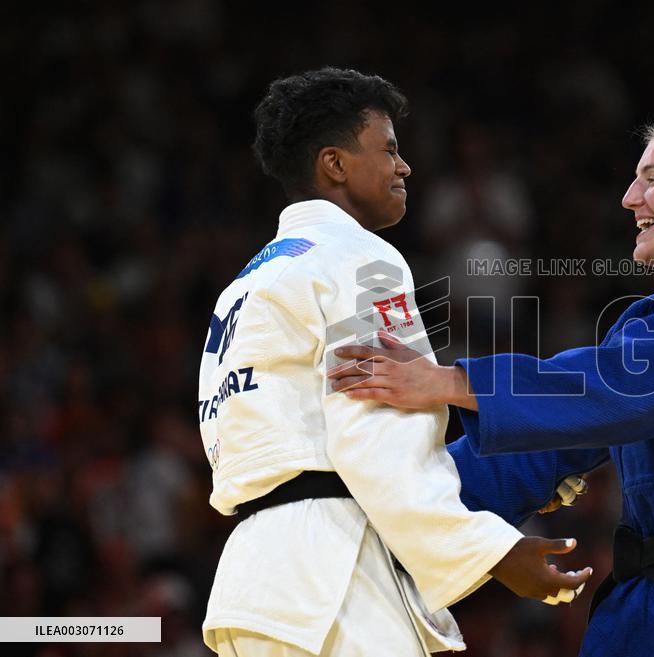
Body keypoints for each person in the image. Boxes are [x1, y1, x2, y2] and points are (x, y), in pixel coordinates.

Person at [329, 110, 654, 656]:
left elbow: (618, 389)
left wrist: (450, 381)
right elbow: (543, 451)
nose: (630, 197)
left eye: (653, 179)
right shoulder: (647, 320)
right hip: (646, 604)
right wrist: (363, 503)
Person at [197, 67, 591, 657]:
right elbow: (376, 442)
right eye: (388, 149)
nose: (404, 166)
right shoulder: (359, 258)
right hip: (335, 585)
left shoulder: (244, 285)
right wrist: (494, 552)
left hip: (253, 590)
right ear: (335, 163)